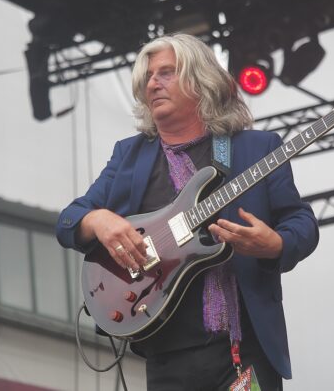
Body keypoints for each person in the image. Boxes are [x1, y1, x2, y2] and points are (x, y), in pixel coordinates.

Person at [56, 33, 319, 390]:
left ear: (201, 80)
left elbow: (301, 221)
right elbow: (69, 220)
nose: (153, 83)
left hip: (244, 350)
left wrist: (276, 245)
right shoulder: (129, 156)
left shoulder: (257, 148)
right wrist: (97, 220)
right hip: (167, 355)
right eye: (148, 77)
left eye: (166, 73)